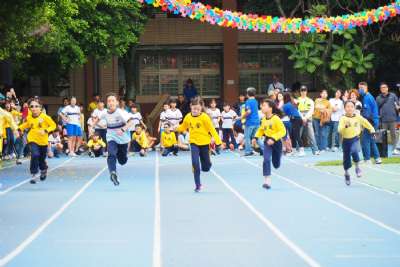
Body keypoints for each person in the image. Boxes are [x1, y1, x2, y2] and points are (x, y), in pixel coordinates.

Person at [177, 96, 222, 192]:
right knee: (195, 163)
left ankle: (208, 163)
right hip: (194, 143)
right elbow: (183, 127)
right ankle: (198, 185)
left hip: (205, 144)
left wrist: (218, 142)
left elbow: (212, 130)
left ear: (201, 107)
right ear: (190, 107)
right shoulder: (188, 117)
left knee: (206, 167)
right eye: (194, 108)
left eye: (198, 109)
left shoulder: (205, 117)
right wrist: (175, 128)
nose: (196, 110)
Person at [93, 93, 134, 186]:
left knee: (122, 161)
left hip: (122, 139)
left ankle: (123, 158)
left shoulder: (120, 112)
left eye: (113, 101)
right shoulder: (104, 112)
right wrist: (92, 126)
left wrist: (123, 129)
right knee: (111, 154)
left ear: (117, 103)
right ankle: (113, 172)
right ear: (107, 103)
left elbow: (131, 122)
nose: (111, 103)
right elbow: (97, 119)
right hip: (111, 137)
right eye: (109, 101)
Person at [19, 98, 56, 184]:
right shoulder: (29, 117)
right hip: (32, 139)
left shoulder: (45, 117)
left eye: (36, 106)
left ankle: (43, 169)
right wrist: (19, 129)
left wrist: (46, 130)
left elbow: (53, 125)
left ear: (40, 108)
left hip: (43, 142)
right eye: (32, 106)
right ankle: (34, 174)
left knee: (41, 159)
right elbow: (26, 124)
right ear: (29, 108)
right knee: (35, 154)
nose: (34, 108)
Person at [338, 101, 376, 186]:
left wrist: (372, 130)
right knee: (346, 158)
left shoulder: (358, 117)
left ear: (354, 108)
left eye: (351, 106)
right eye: (347, 106)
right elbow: (339, 129)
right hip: (346, 141)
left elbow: (365, 122)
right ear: (345, 108)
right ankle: (347, 173)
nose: (350, 108)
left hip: (355, 138)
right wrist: (345, 127)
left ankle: (357, 168)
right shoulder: (343, 118)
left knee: (355, 150)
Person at [253, 99, 286, 190]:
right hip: (267, 141)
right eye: (261, 105)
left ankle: (278, 158)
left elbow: (283, 131)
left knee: (276, 164)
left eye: (264, 105)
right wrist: (255, 137)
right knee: (266, 159)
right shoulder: (263, 119)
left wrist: (273, 138)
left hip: (276, 142)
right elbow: (261, 129)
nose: (261, 107)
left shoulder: (276, 119)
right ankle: (267, 181)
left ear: (270, 108)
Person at [358, 82, 382, 164]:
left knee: (365, 140)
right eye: (359, 88)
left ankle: (367, 159)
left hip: (370, 122)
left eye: (362, 88)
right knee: (371, 140)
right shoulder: (368, 96)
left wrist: (363, 123)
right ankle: (377, 158)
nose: (360, 90)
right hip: (373, 121)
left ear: (366, 88)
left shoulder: (367, 98)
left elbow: (367, 114)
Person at [376, 82, 400, 155]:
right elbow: (376, 108)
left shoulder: (393, 95)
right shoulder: (378, 98)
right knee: (383, 137)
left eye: (384, 87)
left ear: (387, 88)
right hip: (383, 120)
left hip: (393, 119)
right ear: (380, 89)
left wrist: (397, 107)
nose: (383, 89)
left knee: (394, 135)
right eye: (382, 88)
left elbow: (397, 105)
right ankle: (383, 151)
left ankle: (394, 150)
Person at [297, 86, 319, 155]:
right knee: (298, 135)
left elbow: (311, 110)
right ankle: (298, 150)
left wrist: (305, 117)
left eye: (304, 90)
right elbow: (296, 110)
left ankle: (315, 150)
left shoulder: (310, 100)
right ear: (300, 92)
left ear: (306, 91)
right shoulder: (297, 100)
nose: (303, 92)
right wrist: (302, 117)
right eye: (302, 90)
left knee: (311, 135)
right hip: (300, 118)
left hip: (308, 118)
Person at [243, 87, 260, 156]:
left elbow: (249, 111)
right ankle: (264, 149)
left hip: (250, 122)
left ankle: (248, 151)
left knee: (247, 137)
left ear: (247, 94)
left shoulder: (248, 101)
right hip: (257, 122)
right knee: (256, 137)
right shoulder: (256, 101)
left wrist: (242, 117)